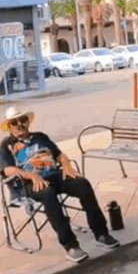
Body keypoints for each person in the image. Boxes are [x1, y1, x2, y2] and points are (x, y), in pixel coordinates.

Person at [0, 107, 120, 262]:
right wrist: (29, 174)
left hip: (55, 175)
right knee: (48, 193)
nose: (19, 124)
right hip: (31, 183)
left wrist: (67, 165)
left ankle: (101, 233)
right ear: (9, 126)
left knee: (82, 183)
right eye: (14, 122)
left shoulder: (40, 137)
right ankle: (70, 245)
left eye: (23, 120)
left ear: (28, 121)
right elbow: (6, 169)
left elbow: (58, 154)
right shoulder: (6, 146)